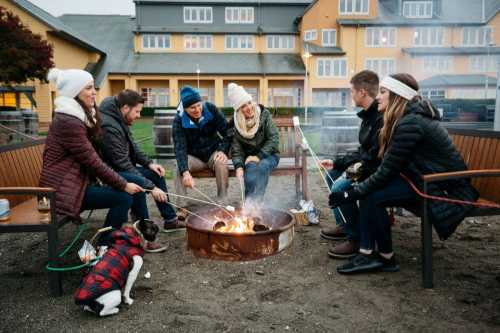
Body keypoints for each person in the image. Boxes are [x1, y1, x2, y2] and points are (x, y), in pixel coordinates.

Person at [329, 73, 478, 274]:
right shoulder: (405, 119)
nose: (378, 97)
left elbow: (387, 171)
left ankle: (378, 257)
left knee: (371, 195)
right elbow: (387, 167)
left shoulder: (411, 123)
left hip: (443, 188)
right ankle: (376, 255)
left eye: (383, 92)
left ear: (397, 96)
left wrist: (350, 193)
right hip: (424, 179)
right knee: (371, 193)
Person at [39, 68, 151, 252]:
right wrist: (123, 184)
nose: (94, 92)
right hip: (61, 190)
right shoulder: (68, 121)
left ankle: (140, 233)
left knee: (134, 183)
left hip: (79, 182)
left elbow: (95, 156)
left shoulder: (83, 116)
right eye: (89, 88)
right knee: (123, 197)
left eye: (94, 87)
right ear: (75, 91)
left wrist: (122, 180)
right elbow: (92, 161)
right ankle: (103, 246)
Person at [319, 70, 383, 259]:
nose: (351, 95)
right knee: (332, 173)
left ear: (363, 91)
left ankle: (355, 238)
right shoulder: (367, 117)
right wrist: (337, 162)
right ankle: (346, 225)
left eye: (352, 91)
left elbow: (372, 159)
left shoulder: (379, 118)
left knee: (340, 185)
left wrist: (351, 171)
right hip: (367, 163)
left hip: (376, 169)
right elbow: (362, 152)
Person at [99, 89, 183, 233]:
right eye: (137, 111)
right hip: (108, 174)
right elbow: (122, 163)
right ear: (125, 108)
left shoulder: (118, 117)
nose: (139, 115)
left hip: (120, 168)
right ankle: (145, 230)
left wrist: (150, 164)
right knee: (138, 183)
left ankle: (170, 220)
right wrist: (151, 187)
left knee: (156, 173)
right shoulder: (108, 126)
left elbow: (133, 147)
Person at [173, 86, 231, 204]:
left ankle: (222, 201)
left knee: (221, 162)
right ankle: (182, 207)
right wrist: (185, 171)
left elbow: (228, 132)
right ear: (185, 108)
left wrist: (223, 150)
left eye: (199, 105)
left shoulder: (211, 109)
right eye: (192, 107)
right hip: (194, 157)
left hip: (213, 153)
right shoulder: (179, 120)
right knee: (179, 167)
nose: (197, 110)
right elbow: (180, 148)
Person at [228, 83, 280, 201]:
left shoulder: (264, 115)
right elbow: (237, 150)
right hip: (250, 159)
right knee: (250, 169)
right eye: (243, 106)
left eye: (249, 102)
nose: (249, 107)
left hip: (269, 155)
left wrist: (259, 156)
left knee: (263, 166)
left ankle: (257, 202)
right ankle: (248, 203)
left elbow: (274, 138)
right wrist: (239, 166)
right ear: (238, 110)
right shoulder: (236, 125)